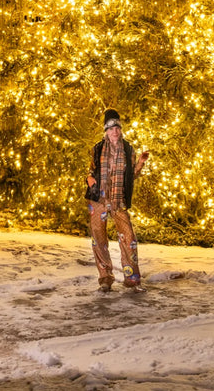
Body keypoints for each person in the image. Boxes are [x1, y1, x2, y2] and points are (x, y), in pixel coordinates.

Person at [85, 108, 149, 291]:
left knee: (129, 237)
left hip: (118, 200)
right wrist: (88, 178)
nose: (115, 131)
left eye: (117, 128)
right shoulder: (97, 149)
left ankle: (132, 280)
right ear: (106, 131)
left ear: (120, 130)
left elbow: (132, 175)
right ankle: (105, 278)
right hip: (98, 199)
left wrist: (140, 163)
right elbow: (90, 170)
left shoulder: (128, 149)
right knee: (99, 238)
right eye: (111, 128)